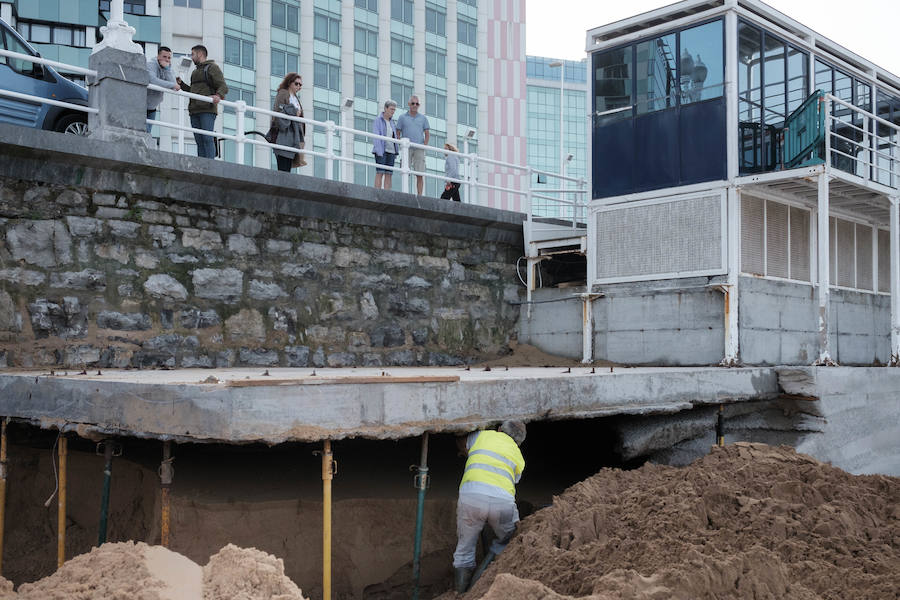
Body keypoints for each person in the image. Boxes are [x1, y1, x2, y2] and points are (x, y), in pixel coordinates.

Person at [453, 420, 526, 594]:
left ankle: (462, 593)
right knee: (510, 542)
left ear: (499, 429)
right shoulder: (519, 455)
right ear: (519, 442)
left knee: (464, 550)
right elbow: (513, 479)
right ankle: (493, 558)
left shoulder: (482, 435)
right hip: (502, 503)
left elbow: (462, 441)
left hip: (471, 497)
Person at [175, 45, 228, 159]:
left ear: (200, 54)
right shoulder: (195, 72)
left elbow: (223, 85)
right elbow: (193, 92)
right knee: (199, 140)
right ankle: (202, 164)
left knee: (207, 138)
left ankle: (210, 164)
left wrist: (218, 95)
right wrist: (182, 84)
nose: (191, 57)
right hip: (194, 110)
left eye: (193, 54)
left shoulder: (212, 67)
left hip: (207, 109)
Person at [271, 73, 307, 172]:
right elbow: (279, 109)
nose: (298, 86)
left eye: (300, 85)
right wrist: (294, 112)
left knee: (288, 165)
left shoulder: (295, 98)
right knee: (283, 163)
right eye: (296, 84)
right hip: (284, 133)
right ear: (290, 82)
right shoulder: (283, 93)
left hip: (293, 134)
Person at [396, 95, 430, 196]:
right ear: (409, 104)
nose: (415, 105)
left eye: (417, 104)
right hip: (407, 148)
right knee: (405, 171)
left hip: (419, 148)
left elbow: (427, 133)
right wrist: (400, 144)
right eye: (413, 103)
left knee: (420, 173)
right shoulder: (402, 117)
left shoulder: (423, 118)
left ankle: (420, 195)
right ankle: (405, 193)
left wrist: (424, 146)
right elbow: (397, 131)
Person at [146, 46, 179, 134]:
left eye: (169, 58)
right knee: (144, 132)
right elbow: (153, 81)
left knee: (148, 134)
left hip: (153, 107)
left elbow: (174, 85)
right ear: (158, 56)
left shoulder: (168, 67)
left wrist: (167, 69)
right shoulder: (151, 65)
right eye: (164, 57)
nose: (167, 60)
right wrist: (172, 85)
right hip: (142, 106)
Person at [372, 99, 398, 189]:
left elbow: (394, 137)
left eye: (394, 110)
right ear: (385, 108)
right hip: (381, 150)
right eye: (391, 109)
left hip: (391, 151)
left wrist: (396, 151)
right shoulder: (378, 120)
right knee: (380, 172)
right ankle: (377, 192)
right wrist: (379, 151)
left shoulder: (392, 122)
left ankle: (387, 194)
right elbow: (376, 136)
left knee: (389, 174)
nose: (393, 111)